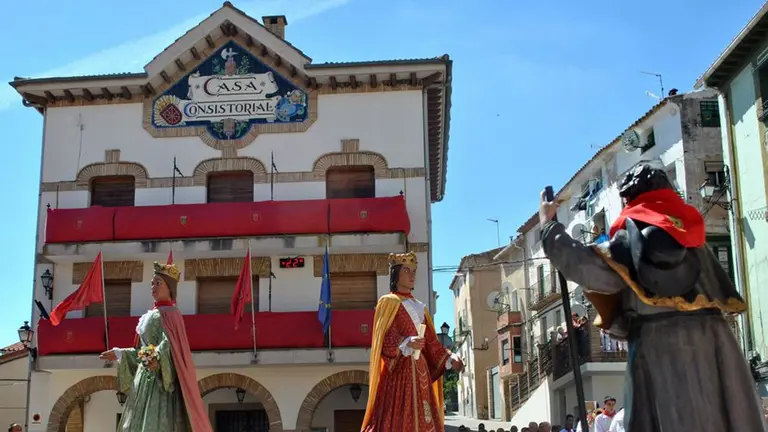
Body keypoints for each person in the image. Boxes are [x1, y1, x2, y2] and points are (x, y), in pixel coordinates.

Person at [538, 163, 766, 431]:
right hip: (716, 341)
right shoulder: (694, 240)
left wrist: (549, 228)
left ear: (629, 198)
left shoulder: (633, 235)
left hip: (660, 348)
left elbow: (587, 268)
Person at [99, 262, 212, 432]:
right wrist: (121, 353)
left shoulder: (172, 314)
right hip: (144, 379)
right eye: (152, 283)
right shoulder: (147, 316)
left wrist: (157, 359)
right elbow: (139, 349)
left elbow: (169, 344)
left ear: (169, 288)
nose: (153, 287)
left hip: (160, 381)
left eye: (158, 283)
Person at [360, 252, 465, 431]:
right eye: (407, 270)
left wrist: (450, 357)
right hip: (399, 373)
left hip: (420, 371)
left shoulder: (420, 307)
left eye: (414, 271)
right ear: (396, 273)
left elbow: (432, 343)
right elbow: (383, 338)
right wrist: (406, 342)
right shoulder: (388, 303)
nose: (412, 275)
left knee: (425, 417)